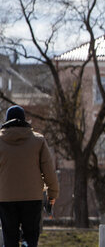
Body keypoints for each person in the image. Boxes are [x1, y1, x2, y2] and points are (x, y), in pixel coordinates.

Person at [0, 106, 59, 247]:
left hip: (5, 198)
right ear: (25, 120)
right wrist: (52, 194)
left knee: (10, 237)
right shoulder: (38, 141)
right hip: (32, 198)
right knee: (31, 235)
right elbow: (49, 170)